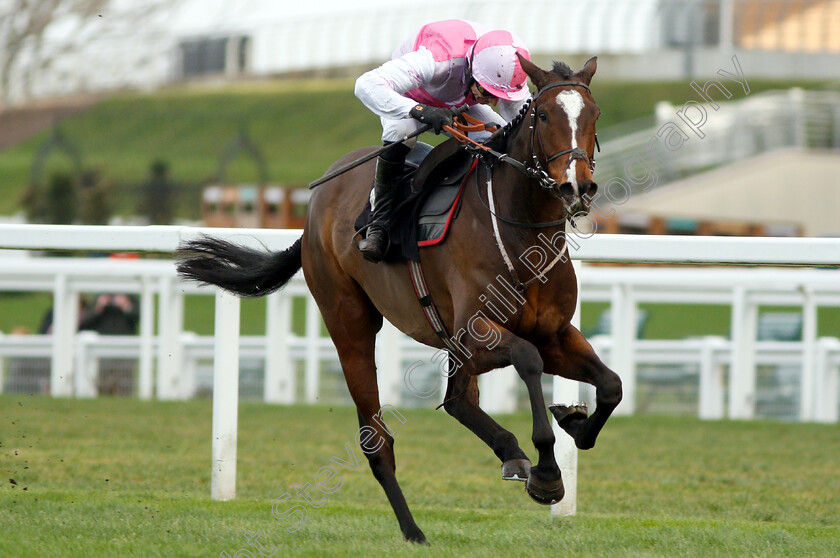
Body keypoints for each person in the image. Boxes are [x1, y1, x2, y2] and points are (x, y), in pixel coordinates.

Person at [354, 19, 532, 262]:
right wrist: (421, 111)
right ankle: (379, 224)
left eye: (497, 95)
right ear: (472, 70)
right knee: (402, 132)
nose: (492, 101)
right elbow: (365, 84)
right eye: (489, 93)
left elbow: (523, 125)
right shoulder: (438, 60)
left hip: (458, 98)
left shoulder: (502, 68)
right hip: (408, 94)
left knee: (501, 138)